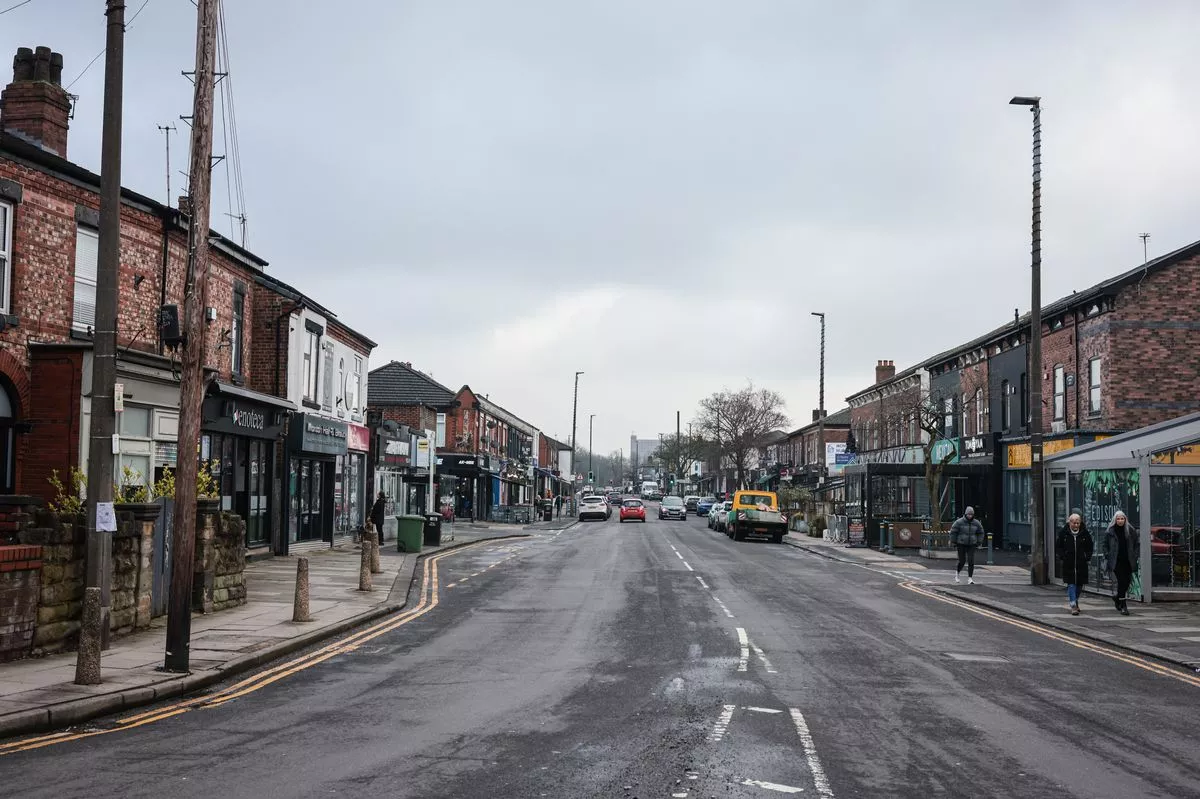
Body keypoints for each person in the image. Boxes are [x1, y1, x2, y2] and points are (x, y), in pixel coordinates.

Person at [1102, 510, 1140, 615]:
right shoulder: (1110, 531)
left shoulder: (1130, 530)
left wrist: (1135, 555)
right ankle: (1123, 605)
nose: (1120, 521)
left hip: (1128, 560)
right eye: (1118, 519)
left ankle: (1117, 598)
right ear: (1115, 520)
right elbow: (1104, 545)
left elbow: (1137, 544)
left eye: (1122, 519)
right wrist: (1107, 555)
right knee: (1122, 581)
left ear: (1125, 519)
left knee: (1127, 582)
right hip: (1116, 561)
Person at [1056, 512, 1094, 615]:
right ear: (1070, 523)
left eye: (1078, 523)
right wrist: (1063, 556)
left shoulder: (1085, 533)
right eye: (1074, 523)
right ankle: (1073, 605)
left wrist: (1087, 557)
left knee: (1079, 585)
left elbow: (1090, 547)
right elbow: (1058, 547)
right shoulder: (1064, 533)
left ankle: (1075, 600)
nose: (1076, 525)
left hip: (1081, 563)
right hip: (1069, 563)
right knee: (1071, 584)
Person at [949, 506, 984, 585]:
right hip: (961, 544)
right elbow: (953, 532)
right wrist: (954, 542)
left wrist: (978, 541)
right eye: (968, 514)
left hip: (972, 544)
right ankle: (957, 573)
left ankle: (970, 578)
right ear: (965, 514)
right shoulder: (959, 522)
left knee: (971, 561)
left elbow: (981, 532)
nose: (970, 516)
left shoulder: (976, 523)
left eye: (971, 514)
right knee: (962, 561)